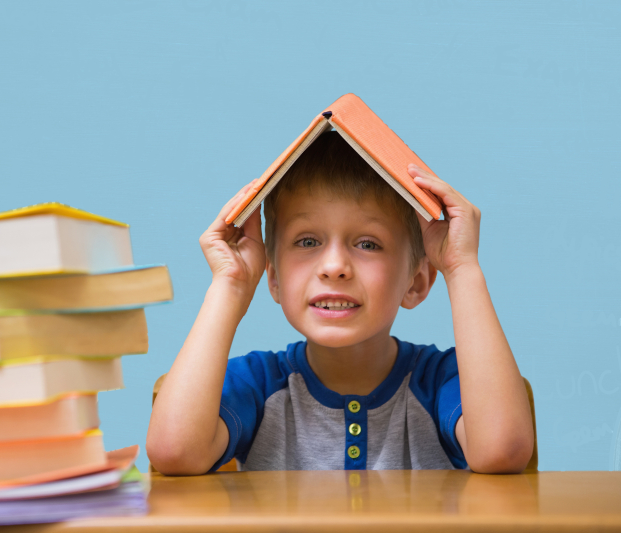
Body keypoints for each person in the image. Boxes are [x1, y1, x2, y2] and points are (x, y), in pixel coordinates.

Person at [147, 131, 534, 474]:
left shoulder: (442, 381)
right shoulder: (258, 384)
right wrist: (229, 286)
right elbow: (174, 453)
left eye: (368, 244)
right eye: (307, 241)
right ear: (275, 278)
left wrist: (462, 267)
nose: (334, 267)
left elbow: (502, 450)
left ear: (416, 282)